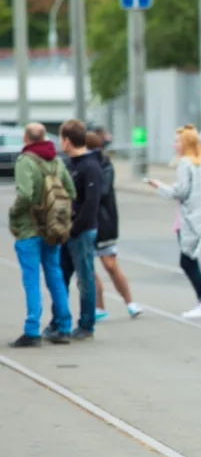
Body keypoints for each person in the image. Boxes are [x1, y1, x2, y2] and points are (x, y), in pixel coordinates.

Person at [146, 125, 201, 318]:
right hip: (199, 216)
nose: (173, 144)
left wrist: (159, 186)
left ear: (185, 143)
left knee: (188, 260)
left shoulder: (185, 163)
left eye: (177, 141)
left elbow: (180, 192)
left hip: (189, 218)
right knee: (188, 260)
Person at [8, 123, 77, 347]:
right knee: (55, 276)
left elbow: (25, 194)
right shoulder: (56, 161)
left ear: (26, 138)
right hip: (52, 228)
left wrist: (13, 213)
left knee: (31, 279)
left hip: (29, 229)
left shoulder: (26, 160)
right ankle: (64, 326)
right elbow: (71, 191)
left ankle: (32, 329)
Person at [84, 131, 142, 320]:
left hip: (103, 221)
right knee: (88, 268)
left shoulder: (105, 165)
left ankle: (130, 303)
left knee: (110, 264)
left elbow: (103, 190)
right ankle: (99, 307)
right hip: (85, 221)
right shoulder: (77, 163)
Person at [56, 118, 102, 340]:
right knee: (61, 276)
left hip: (81, 231)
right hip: (66, 231)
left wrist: (74, 229)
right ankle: (59, 320)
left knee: (84, 279)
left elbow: (91, 204)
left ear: (67, 141)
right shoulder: (69, 164)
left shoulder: (89, 166)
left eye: (61, 139)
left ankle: (86, 323)